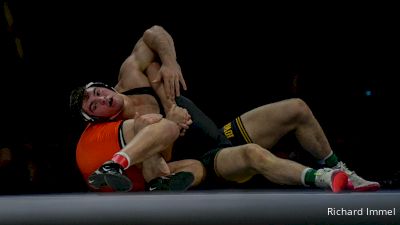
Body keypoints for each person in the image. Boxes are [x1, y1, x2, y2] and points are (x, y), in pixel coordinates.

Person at [70, 25, 379, 192]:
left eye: (97, 93)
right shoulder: (126, 127)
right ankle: (325, 179)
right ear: (96, 119)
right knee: (253, 154)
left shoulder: (132, 75)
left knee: (296, 107)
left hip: (219, 133)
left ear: (105, 85)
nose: (101, 100)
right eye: (95, 106)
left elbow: (154, 33)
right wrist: (164, 119)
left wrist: (170, 62)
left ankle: (340, 167)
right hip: (211, 158)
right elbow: (156, 147)